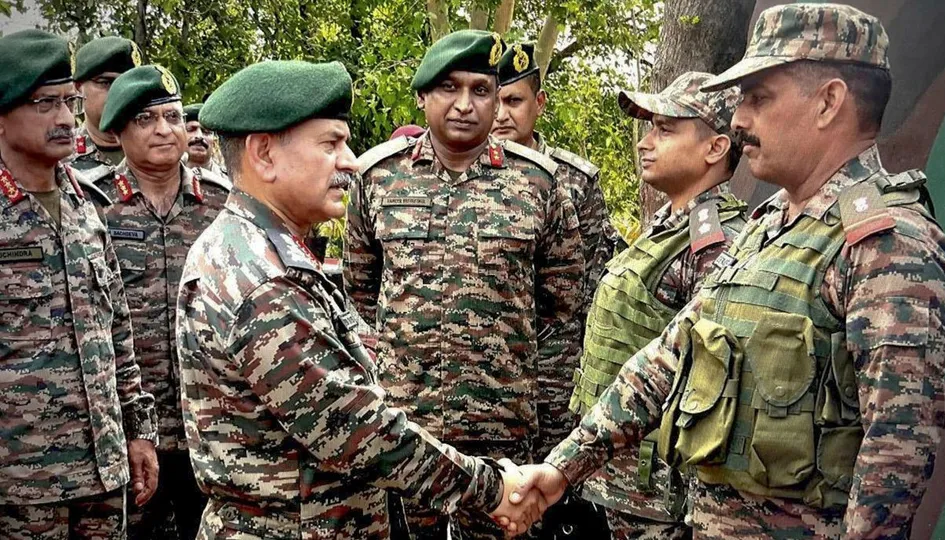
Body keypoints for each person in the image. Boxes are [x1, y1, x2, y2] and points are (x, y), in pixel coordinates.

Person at [506, 4, 945, 539]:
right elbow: (670, 357)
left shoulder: (888, 245)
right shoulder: (767, 227)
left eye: (758, 98)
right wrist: (562, 469)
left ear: (829, 101)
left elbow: (896, 451)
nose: (739, 119)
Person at [175, 58, 543, 540]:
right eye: (330, 144)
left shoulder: (265, 253)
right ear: (263, 154)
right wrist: (492, 488)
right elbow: (357, 432)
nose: (349, 162)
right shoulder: (263, 280)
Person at [345, 29, 585, 539]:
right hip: (406, 432)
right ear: (422, 97)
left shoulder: (539, 182)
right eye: (448, 88)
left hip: (505, 430)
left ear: (497, 99)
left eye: (480, 89)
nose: (464, 104)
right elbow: (361, 293)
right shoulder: (376, 178)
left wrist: (549, 425)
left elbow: (561, 306)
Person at [570, 72, 746, 540]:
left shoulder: (715, 242)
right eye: (649, 128)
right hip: (623, 478)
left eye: (665, 129)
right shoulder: (669, 225)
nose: (646, 143)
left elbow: (711, 378)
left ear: (716, 148)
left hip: (660, 490)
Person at [0, 29, 158, 539]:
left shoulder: (87, 205)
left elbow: (116, 333)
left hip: (102, 472)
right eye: (45, 104)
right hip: (19, 483)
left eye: (69, 102)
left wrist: (137, 433)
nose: (66, 119)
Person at [85, 64, 232, 540]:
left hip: (211, 424)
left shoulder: (222, 203)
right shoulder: (94, 207)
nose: (165, 130)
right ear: (119, 129)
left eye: (172, 116)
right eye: (147, 120)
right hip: (130, 429)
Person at [494, 42, 619, 320]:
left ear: (539, 103)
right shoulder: (466, 173)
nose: (501, 116)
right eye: (493, 101)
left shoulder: (575, 180)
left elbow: (594, 278)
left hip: (555, 351)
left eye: (514, 101)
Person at [70, 36, 142, 177]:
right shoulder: (60, 157)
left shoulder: (156, 149)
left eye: (128, 84)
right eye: (106, 83)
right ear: (78, 88)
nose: (119, 93)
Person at [182, 102, 229, 179]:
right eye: (191, 129)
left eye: (206, 132)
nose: (199, 136)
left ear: (214, 142)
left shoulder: (231, 180)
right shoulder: (163, 180)